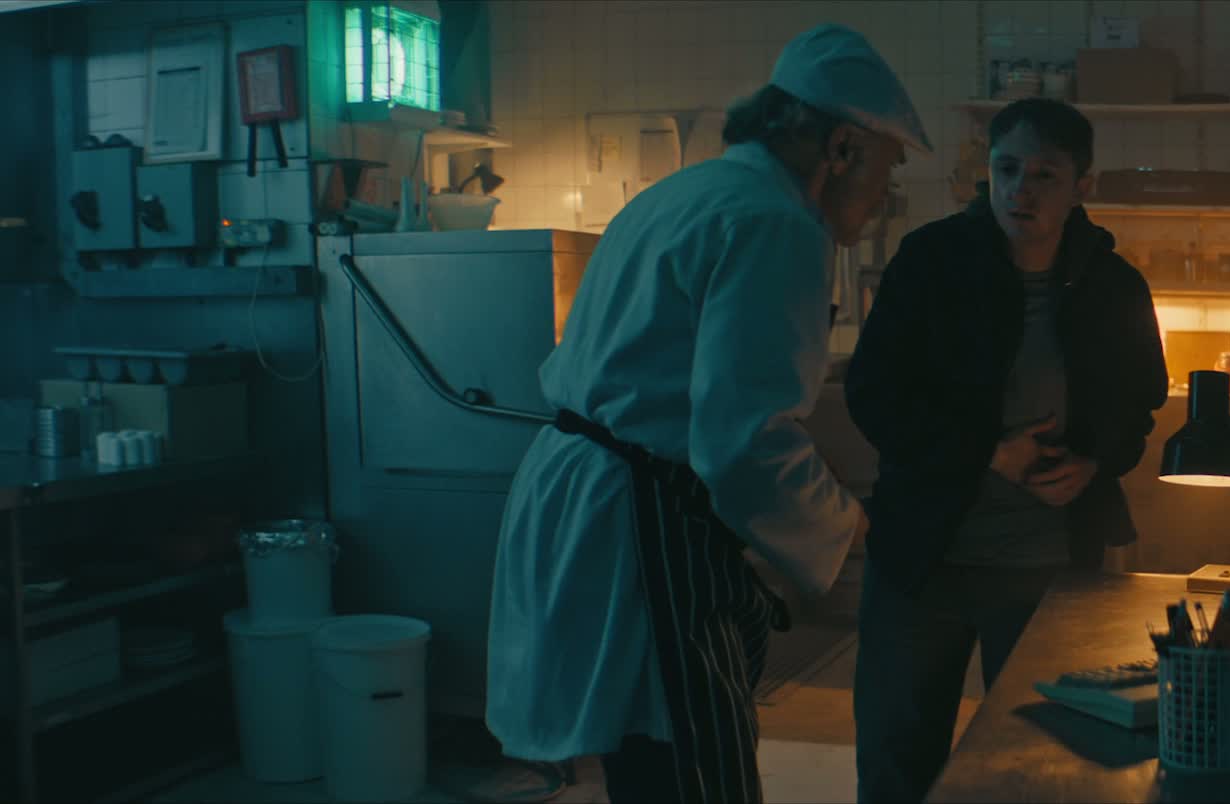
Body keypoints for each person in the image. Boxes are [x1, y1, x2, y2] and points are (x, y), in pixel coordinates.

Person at [484, 24, 929, 804]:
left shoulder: (688, 192)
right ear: (843, 148)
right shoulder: (778, 222)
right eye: (887, 166)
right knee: (694, 767)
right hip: (643, 515)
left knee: (644, 758)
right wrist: (844, 521)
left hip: (591, 490)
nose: (883, 194)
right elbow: (743, 440)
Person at [845, 98, 1168, 803]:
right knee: (898, 766)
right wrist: (987, 453)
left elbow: (1140, 405)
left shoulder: (1113, 285)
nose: (1022, 189)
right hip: (922, 561)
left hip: (1046, 570)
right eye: (1008, 169)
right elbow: (874, 394)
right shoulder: (932, 262)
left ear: (1082, 185)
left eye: (1045, 174)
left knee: (1041, 770)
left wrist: (1095, 463)